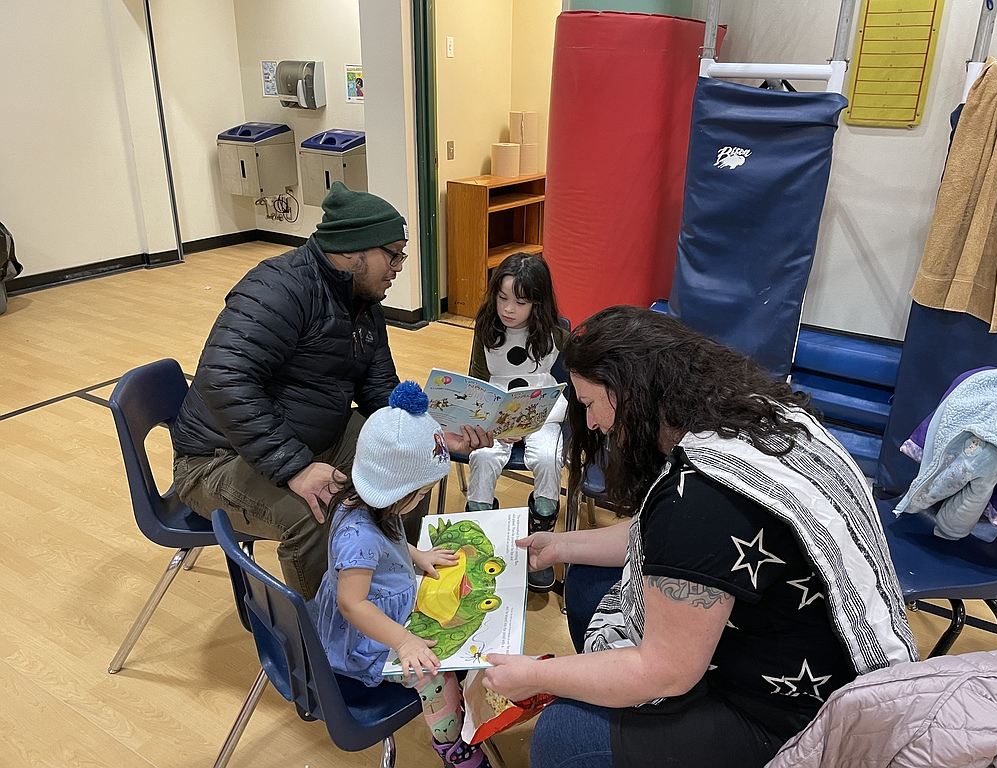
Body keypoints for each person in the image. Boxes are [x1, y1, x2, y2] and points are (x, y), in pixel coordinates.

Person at [481, 306, 918, 768]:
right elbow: (663, 542)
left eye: (590, 404)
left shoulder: (697, 499)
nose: (590, 424)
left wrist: (537, 675)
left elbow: (666, 669)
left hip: (790, 716)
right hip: (804, 642)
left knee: (562, 739)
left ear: (632, 393)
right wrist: (562, 546)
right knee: (588, 579)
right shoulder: (747, 413)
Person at [171, 182, 489, 601]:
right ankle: (326, 639)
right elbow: (223, 378)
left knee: (413, 461)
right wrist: (295, 469)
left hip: (313, 437)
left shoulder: (361, 299)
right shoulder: (279, 288)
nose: (399, 267)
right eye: (393, 254)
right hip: (218, 457)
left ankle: (395, 580)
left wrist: (428, 433)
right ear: (352, 251)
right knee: (316, 516)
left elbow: (379, 388)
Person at [314, 381, 491, 768]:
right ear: (395, 492)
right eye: (423, 490)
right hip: (365, 639)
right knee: (433, 676)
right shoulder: (357, 536)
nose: (425, 496)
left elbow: (386, 545)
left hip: (386, 612)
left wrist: (416, 555)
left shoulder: (369, 504)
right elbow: (351, 603)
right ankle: (451, 749)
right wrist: (405, 641)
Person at [466, 252, 569, 592]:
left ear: (537, 304)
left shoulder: (554, 336)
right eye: (502, 298)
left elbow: (566, 388)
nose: (508, 309)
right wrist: (496, 423)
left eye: (520, 302)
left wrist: (530, 421)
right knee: (482, 456)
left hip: (542, 414)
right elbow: (476, 383)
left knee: (548, 459)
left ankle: (540, 543)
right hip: (495, 415)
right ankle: (479, 535)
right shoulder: (486, 331)